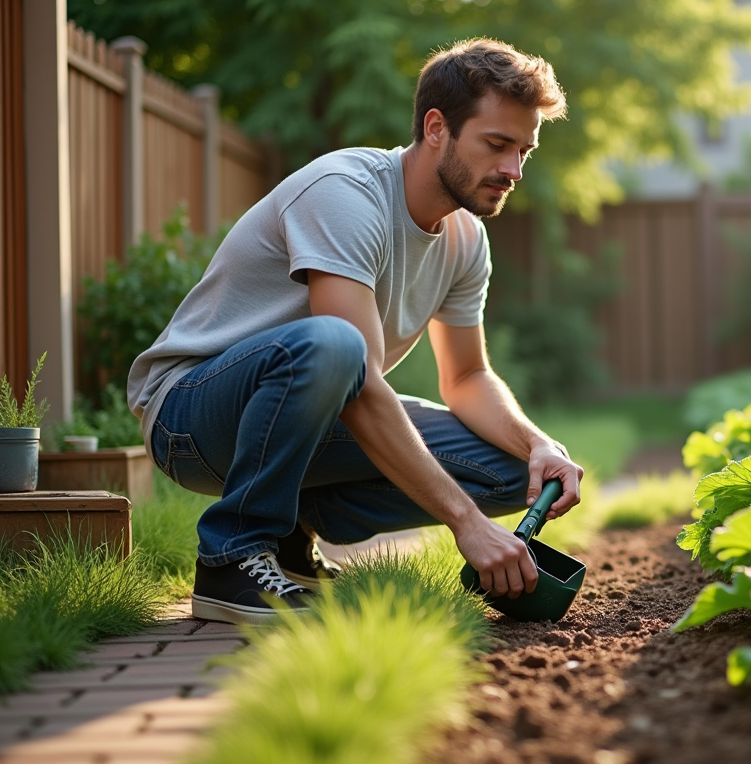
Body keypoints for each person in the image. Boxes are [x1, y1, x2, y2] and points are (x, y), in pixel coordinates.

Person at [127, 38, 583, 625]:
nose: (512, 170)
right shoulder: (347, 193)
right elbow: (360, 378)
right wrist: (465, 523)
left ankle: (290, 537)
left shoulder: (466, 239)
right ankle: (231, 556)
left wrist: (537, 445)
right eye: (497, 145)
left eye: (524, 151)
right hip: (191, 417)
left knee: (510, 470)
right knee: (337, 346)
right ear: (436, 128)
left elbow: (467, 376)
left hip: (312, 410)